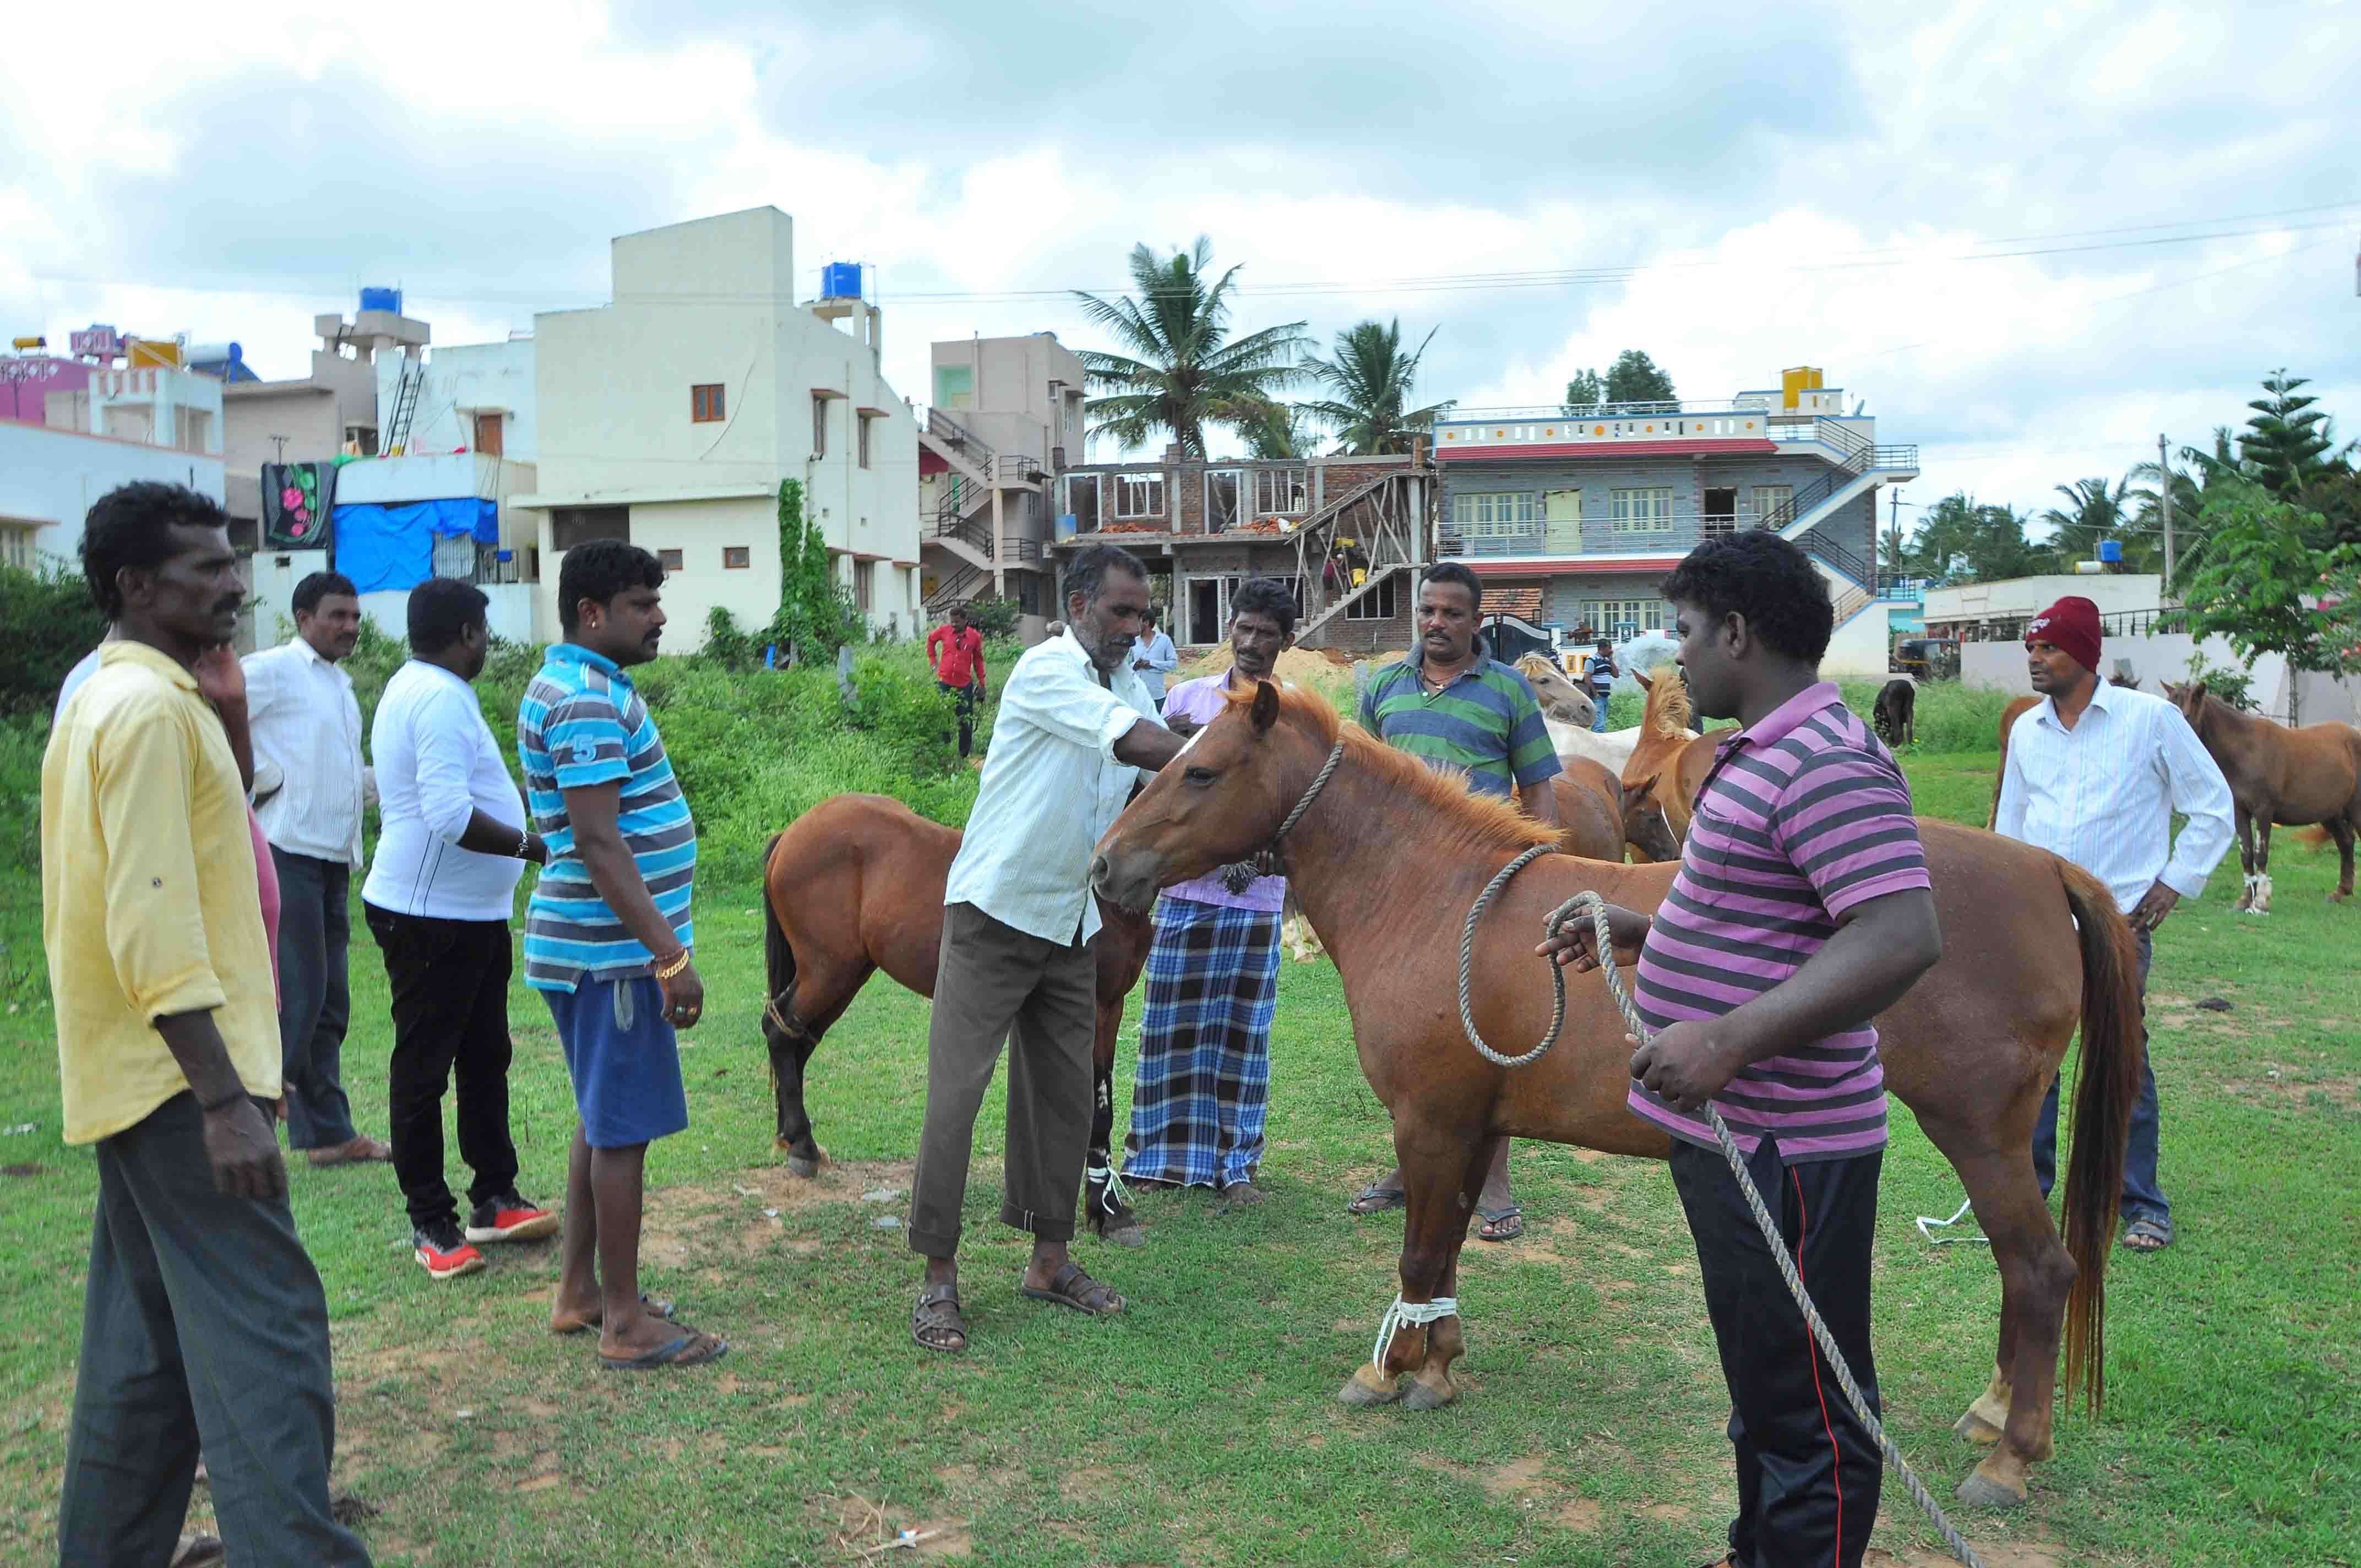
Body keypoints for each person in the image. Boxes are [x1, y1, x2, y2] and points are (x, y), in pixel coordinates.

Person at [1542, 531, 1943, 1568]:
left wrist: (1726, 1038)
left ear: (1735, 631)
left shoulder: (1828, 761)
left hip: (1788, 1143)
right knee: (1768, 1379)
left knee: (1809, 1401)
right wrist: (1643, 932)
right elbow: (1756, 900)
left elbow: (1899, 934)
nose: (1675, 660)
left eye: (1683, 632)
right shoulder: (1756, 751)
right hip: (1741, 1139)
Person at [45, 482, 372, 1566]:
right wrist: (225, 1097)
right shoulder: (138, 708)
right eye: (206, 567)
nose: (235, 583)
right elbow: (147, 907)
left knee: (142, 1356)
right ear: (138, 585)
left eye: (234, 562)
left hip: (145, 1081)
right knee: (269, 1336)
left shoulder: (132, 696)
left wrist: (226, 712)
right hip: (184, 1087)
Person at [908, 543, 1187, 1355]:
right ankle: (938, 1283)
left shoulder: (1126, 684)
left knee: (1064, 1101)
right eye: (1120, 612)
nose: (1133, 629)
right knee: (955, 1101)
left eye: (1143, 616)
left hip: (1071, 923)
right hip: (994, 914)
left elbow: (1159, 770)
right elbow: (1142, 748)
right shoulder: (1044, 671)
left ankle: (1049, 1262)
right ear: (1075, 606)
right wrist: (1223, 757)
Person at [518, 539, 726, 1368]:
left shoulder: (581, 684)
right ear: (591, 613)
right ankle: (625, 1323)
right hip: (610, 958)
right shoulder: (584, 701)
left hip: (596, 951)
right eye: (643, 604)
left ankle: (582, 1294)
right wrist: (669, 956)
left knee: (602, 1121)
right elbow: (601, 846)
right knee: (623, 1133)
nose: (661, 617)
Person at [1994, 595, 2233, 1254]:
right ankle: (2027, 1195)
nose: (2035, 659)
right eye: (2031, 649)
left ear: (2085, 653)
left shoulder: (2150, 720)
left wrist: (2172, 884)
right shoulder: (2027, 731)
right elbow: (2010, 828)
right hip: (2040, 925)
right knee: (2031, 1059)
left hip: (2118, 924)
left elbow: (2212, 806)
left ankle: (2142, 1205)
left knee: (2119, 1059)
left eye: (2048, 648)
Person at [1347, 561, 1561, 1240]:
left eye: (1451, 613)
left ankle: (1492, 1178)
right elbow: (1357, 786)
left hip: (1483, 893)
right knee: (1405, 1035)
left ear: (1477, 621)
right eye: (1428, 611)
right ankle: (1408, 1164)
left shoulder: (1506, 691)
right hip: (1395, 899)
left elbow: (1540, 787)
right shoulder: (1382, 687)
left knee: (1483, 1028)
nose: (1436, 623)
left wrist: (1541, 866)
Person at [362, 578, 558, 1282]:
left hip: (469, 915)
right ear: (468, 633)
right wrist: (529, 847)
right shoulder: (439, 696)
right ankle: (431, 1221)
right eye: (482, 631)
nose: (484, 643)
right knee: (425, 1069)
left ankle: (494, 1195)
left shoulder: (420, 686)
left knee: (486, 1057)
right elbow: (448, 815)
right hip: (427, 915)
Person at [1121, 577, 1297, 1205]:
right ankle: (1153, 1155)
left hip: (1256, 899)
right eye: (1243, 628)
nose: (1251, 643)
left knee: (1242, 1035)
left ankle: (1236, 1165)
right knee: (1169, 1026)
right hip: (1186, 892)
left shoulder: (1295, 715)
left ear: (1287, 640)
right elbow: (1155, 790)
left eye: (1266, 634)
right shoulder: (1186, 700)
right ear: (1230, 628)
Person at [244, 570, 389, 1168]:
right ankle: (242, 1129)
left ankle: (327, 1134)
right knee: (296, 1001)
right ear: (303, 618)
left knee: (328, 1004)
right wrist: (257, 780)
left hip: (332, 859)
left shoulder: (338, 685)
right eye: (337, 616)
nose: (349, 627)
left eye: (354, 617)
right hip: (287, 852)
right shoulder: (276, 668)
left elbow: (339, 771)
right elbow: (206, 703)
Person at [926, 603, 989, 759]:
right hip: (944, 683)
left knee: (965, 721)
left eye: (957, 622)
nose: (953, 625)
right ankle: (944, 750)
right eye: (952, 621)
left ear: (965, 620)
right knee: (943, 718)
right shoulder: (944, 631)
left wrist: (982, 683)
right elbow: (930, 640)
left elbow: (978, 661)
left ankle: (964, 755)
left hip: (964, 686)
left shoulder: (974, 637)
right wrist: (934, 662)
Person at [1131, 605, 1178, 701]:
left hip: (1158, 696)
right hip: (1137, 697)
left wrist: (1152, 664)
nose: (1135, 625)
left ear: (1147, 623)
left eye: (1138, 622)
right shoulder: (1133, 641)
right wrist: (1135, 665)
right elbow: (1125, 665)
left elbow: (1173, 664)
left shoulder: (1164, 640)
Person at [1586, 638, 1617, 733]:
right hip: (1597, 697)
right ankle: (1596, 746)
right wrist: (1595, 693)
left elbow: (1616, 675)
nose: (1611, 650)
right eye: (1609, 648)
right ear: (1602, 649)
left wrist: (1611, 661)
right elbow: (1587, 678)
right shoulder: (1592, 660)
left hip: (1605, 697)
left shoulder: (1607, 662)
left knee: (1602, 722)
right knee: (1599, 724)